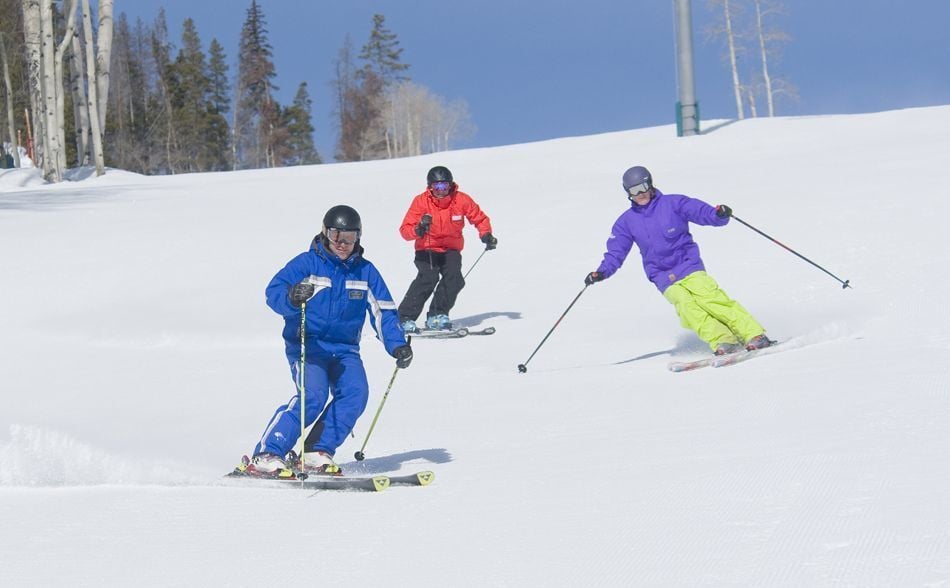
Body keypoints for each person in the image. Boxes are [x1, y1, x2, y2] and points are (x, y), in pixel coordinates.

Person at [240, 205, 413, 477]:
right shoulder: (308, 263)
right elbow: (274, 290)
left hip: (345, 350)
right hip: (308, 346)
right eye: (335, 235)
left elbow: (384, 311)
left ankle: (315, 451)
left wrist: (397, 344)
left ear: (358, 238)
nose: (342, 244)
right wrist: (292, 297)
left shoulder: (365, 272)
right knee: (313, 395)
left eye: (349, 238)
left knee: (356, 393)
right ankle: (267, 453)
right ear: (325, 233)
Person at [585, 166, 772, 355]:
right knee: (688, 309)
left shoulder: (673, 203)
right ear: (628, 193)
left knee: (711, 299)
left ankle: (754, 334)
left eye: (642, 187)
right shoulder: (626, 222)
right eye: (634, 191)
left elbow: (701, 212)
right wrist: (602, 272)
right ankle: (724, 340)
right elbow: (616, 252)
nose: (640, 194)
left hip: (688, 264)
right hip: (661, 275)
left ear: (650, 184)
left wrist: (718, 214)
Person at [397, 165, 497, 332]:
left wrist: (486, 235)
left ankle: (437, 315)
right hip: (427, 248)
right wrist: (418, 229)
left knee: (455, 278)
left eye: (445, 186)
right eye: (437, 187)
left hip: (451, 249)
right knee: (428, 277)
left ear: (451, 185)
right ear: (430, 187)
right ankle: (404, 318)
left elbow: (479, 218)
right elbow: (404, 230)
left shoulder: (461, 200)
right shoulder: (421, 202)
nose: (441, 191)